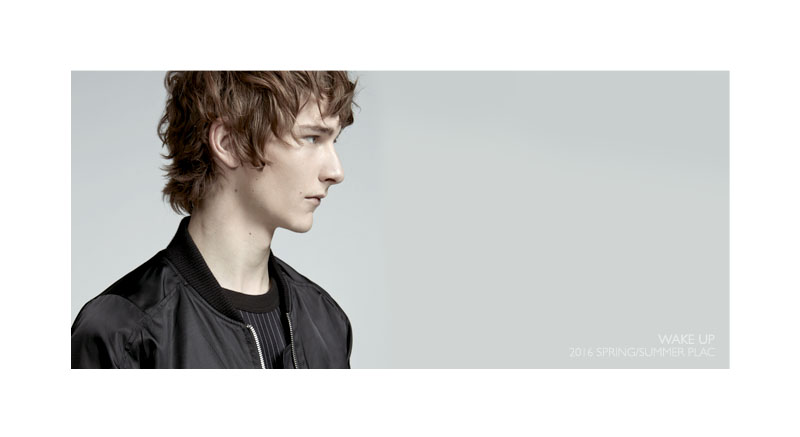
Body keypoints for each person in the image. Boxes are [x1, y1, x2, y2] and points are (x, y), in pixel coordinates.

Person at [71, 71, 358, 368]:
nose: (336, 171)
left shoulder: (326, 321)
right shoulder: (124, 334)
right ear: (228, 142)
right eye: (312, 138)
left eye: (333, 140)